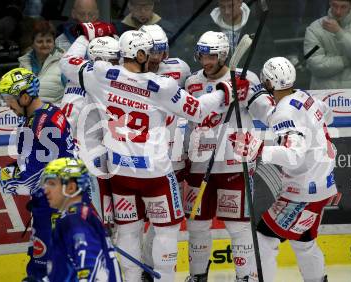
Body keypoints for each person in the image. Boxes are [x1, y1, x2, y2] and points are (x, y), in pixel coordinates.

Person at [60, 27, 244, 282]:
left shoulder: (100, 74)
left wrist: (85, 35)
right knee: (167, 231)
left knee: (128, 232)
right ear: (141, 53)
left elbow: (67, 62)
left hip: (119, 171)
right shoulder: (161, 85)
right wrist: (225, 91)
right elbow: (199, 111)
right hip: (155, 174)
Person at [235, 57, 338, 282]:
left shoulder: (284, 112)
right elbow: (327, 115)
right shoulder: (305, 97)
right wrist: (254, 96)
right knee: (304, 243)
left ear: (270, 82)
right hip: (322, 185)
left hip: (302, 193)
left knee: (264, 239)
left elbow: (292, 155)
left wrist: (259, 149)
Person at [183, 31, 274, 282]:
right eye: (202, 56)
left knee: (238, 226)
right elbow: (190, 122)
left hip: (234, 165)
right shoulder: (192, 82)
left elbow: (266, 111)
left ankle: (244, 277)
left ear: (224, 55)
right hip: (200, 164)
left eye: (211, 56)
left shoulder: (246, 78)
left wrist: (255, 96)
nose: (205, 62)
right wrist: (184, 153)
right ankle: (197, 276)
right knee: (197, 225)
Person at [0, 67, 75, 281]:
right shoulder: (43, 114)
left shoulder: (42, 124)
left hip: (57, 208)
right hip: (51, 204)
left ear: (25, 96)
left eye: (9, 98)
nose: (6, 105)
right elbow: (29, 163)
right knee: (40, 266)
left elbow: (31, 177)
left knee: (51, 271)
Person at [138, 23, 191, 282]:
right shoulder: (128, 73)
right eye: (153, 51)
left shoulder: (179, 69)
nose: (157, 57)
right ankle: (140, 270)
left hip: (173, 158)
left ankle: (150, 269)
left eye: (161, 51)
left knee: (163, 222)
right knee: (136, 223)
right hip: (139, 159)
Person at [60, 35, 120, 224]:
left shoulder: (77, 80)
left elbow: (68, 61)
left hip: (103, 161)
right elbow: (66, 128)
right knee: (102, 222)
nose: (117, 65)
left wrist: (84, 37)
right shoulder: (89, 87)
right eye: (113, 60)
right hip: (92, 164)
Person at [41, 157, 123, 282]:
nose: (45, 190)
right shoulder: (74, 216)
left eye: (52, 183)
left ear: (71, 188)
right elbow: (65, 271)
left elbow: (90, 272)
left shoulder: (76, 223)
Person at [304, 0, 351, 89]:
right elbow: (315, 65)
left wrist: (339, 32)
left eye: (343, 7)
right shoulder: (314, 28)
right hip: (324, 94)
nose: (338, 11)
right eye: (335, 5)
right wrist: (350, 59)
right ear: (329, 3)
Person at [19, 20, 66, 104]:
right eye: (40, 41)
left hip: (55, 113)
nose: (44, 45)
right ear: (32, 43)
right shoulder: (24, 63)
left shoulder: (64, 62)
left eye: (48, 41)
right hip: (30, 113)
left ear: (54, 42)